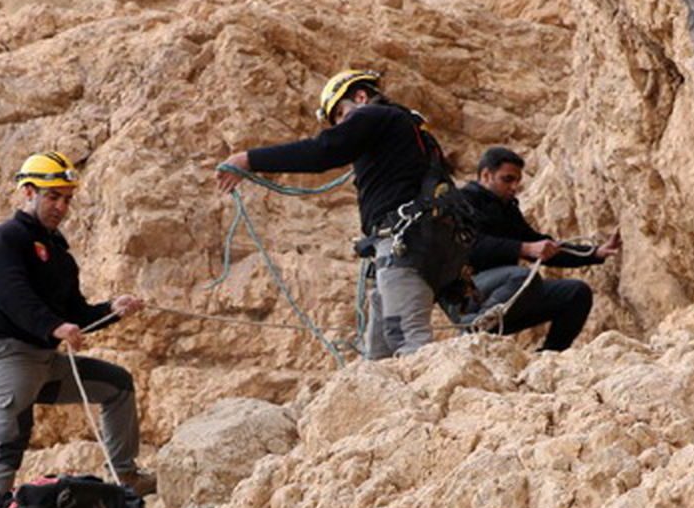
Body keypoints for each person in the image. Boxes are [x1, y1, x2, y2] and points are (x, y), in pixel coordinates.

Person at [216, 69, 458, 360]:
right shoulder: (408, 130)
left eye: (342, 114)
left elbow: (323, 151)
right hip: (418, 240)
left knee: (407, 338)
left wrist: (248, 159)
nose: (343, 125)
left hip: (405, 241)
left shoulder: (373, 115)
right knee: (378, 356)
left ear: (360, 97)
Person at [0, 151, 156, 496]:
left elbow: (76, 313)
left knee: (118, 385)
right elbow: (11, 294)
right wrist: (55, 327)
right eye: (52, 196)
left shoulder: (59, 254)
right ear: (28, 192)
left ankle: (126, 478)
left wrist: (112, 309)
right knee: (9, 438)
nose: (61, 207)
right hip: (8, 356)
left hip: (45, 362)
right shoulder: (3, 239)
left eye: (66, 199)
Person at [453, 146, 621, 351]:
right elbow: (470, 246)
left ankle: (549, 356)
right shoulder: (461, 202)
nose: (514, 186)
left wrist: (595, 253)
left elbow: (540, 246)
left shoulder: (507, 209)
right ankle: (474, 331)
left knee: (576, 292)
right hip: (471, 295)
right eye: (507, 179)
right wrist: (524, 248)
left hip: (507, 297)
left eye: (517, 181)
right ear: (486, 175)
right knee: (524, 276)